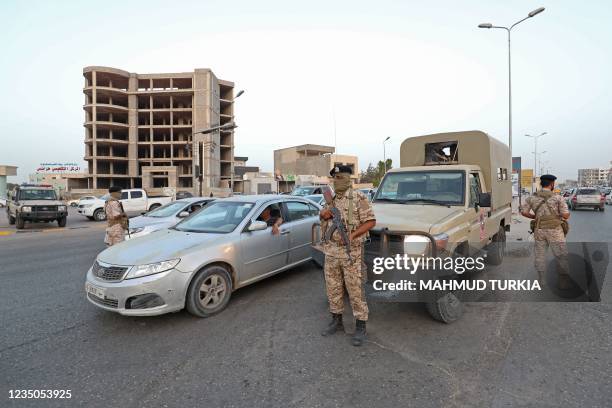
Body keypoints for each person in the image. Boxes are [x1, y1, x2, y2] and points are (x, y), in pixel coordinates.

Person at [320, 165, 376, 346]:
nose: (336, 181)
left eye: (340, 177)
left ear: (347, 178)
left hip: (351, 252)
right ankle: (336, 321)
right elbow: (321, 216)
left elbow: (371, 222)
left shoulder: (359, 198)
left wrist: (351, 236)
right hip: (331, 252)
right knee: (333, 287)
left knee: (355, 290)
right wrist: (324, 214)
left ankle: (361, 326)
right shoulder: (331, 200)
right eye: (334, 178)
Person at [520, 174, 571, 289]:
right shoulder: (558, 198)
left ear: (540, 184)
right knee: (561, 256)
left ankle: (541, 280)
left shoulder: (532, 197)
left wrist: (535, 217)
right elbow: (566, 215)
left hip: (539, 230)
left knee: (540, 255)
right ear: (552, 184)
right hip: (555, 231)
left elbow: (523, 212)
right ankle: (563, 282)